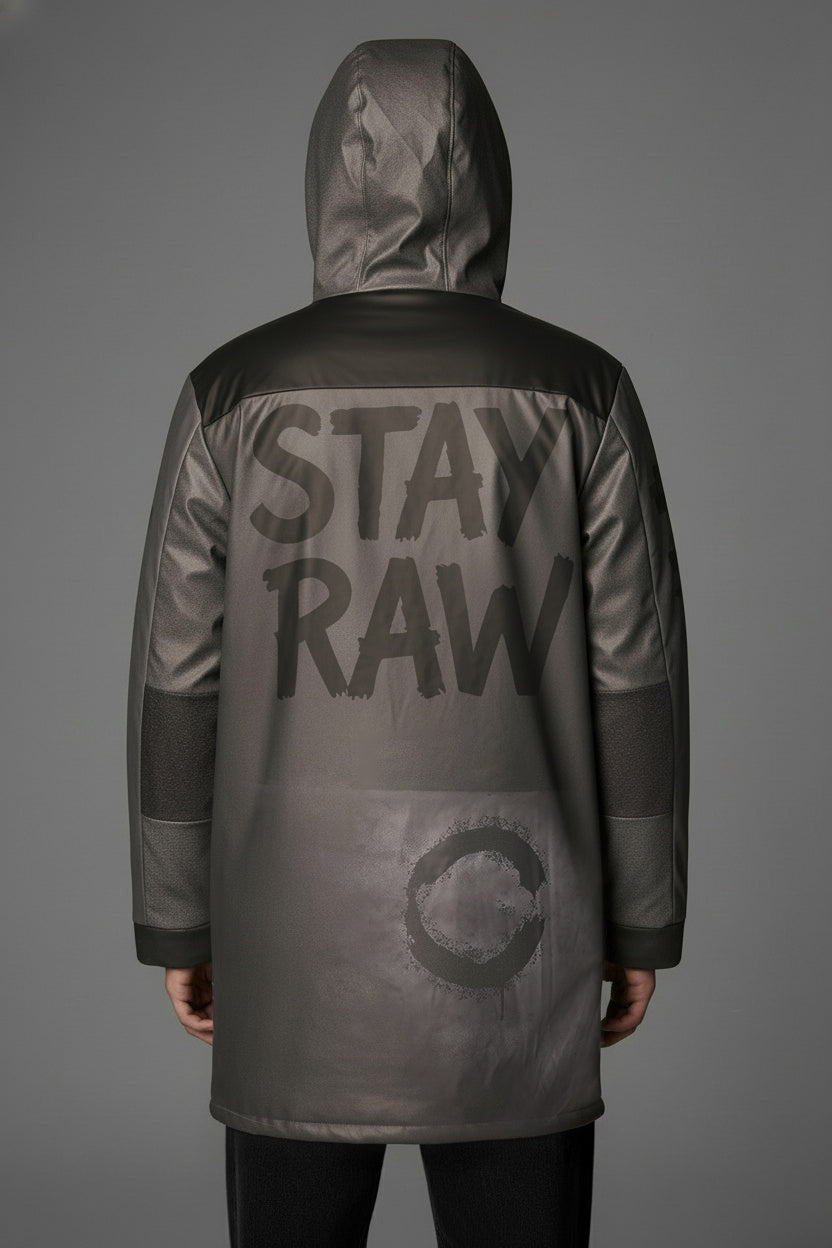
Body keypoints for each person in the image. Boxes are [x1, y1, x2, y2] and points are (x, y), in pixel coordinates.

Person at [126, 37, 690, 1248]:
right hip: (519, 932)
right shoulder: (582, 390)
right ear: (489, 179)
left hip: (288, 924)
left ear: (325, 182)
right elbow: (632, 679)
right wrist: (638, 922)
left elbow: (180, 683)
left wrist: (181, 921)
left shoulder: (231, 394)